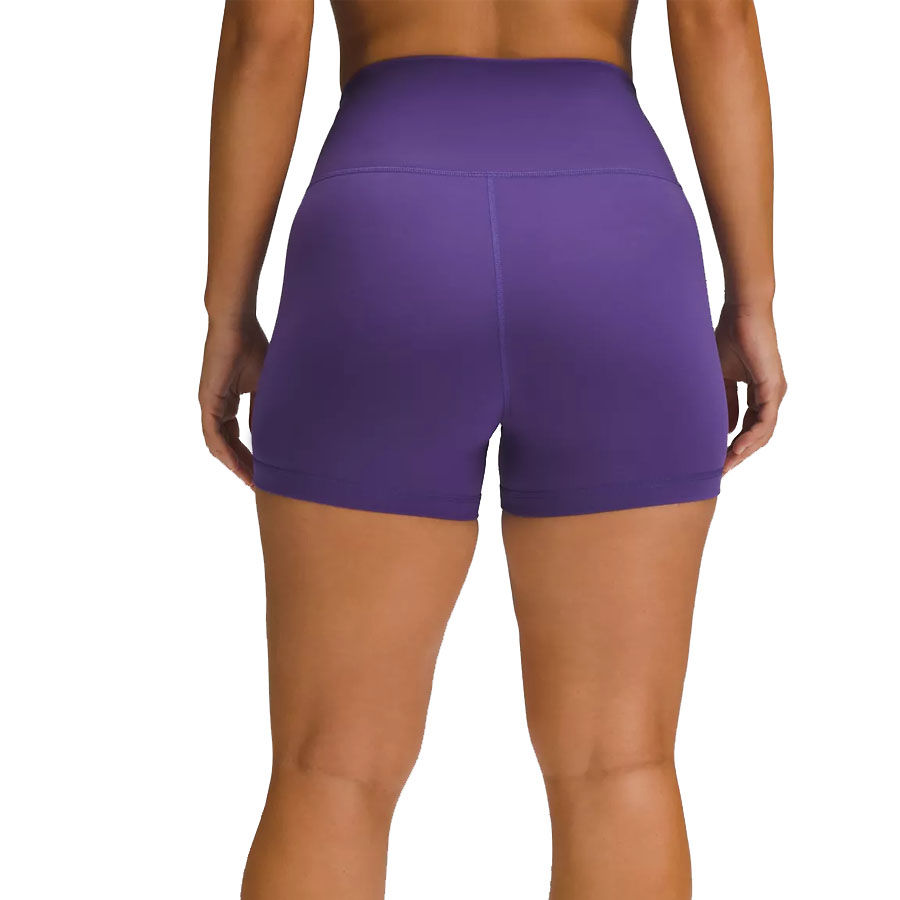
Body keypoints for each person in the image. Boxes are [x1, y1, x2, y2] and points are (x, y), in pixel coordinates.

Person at [199, 1, 786, 897]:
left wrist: (227, 311)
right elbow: (717, 20)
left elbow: (266, 35)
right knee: (619, 764)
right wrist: (753, 300)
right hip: (614, 234)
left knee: (331, 770)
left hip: (384, 233)